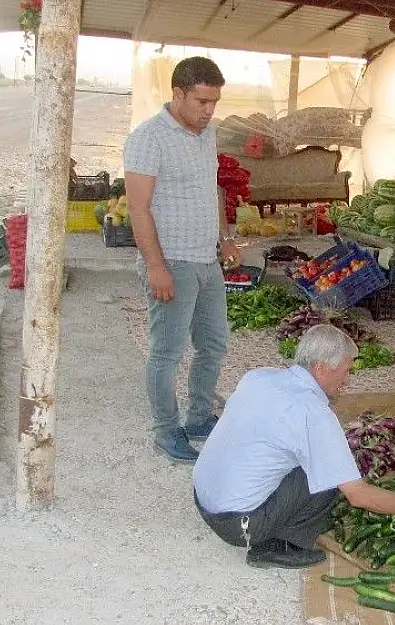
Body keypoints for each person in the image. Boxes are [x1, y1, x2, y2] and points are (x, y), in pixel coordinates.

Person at [193, 325, 395, 569]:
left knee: (310, 460)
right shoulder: (314, 414)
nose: (348, 380)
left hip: (203, 499)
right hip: (240, 525)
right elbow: (358, 496)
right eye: (346, 370)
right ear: (321, 368)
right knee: (330, 479)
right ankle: (276, 546)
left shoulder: (258, 376)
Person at [123, 56, 242, 462]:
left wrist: (224, 237)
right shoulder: (148, 139)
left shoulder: (206, 134)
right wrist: (156, 267)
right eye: (202, 101)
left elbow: (212, 190)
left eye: (215, 102)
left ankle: (198, 416)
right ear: (178, 94)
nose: (209, 111)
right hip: (171, 263)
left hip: (206, 262)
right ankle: (166, 430)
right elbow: (138, 209)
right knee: (167, 352)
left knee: (214, 343)